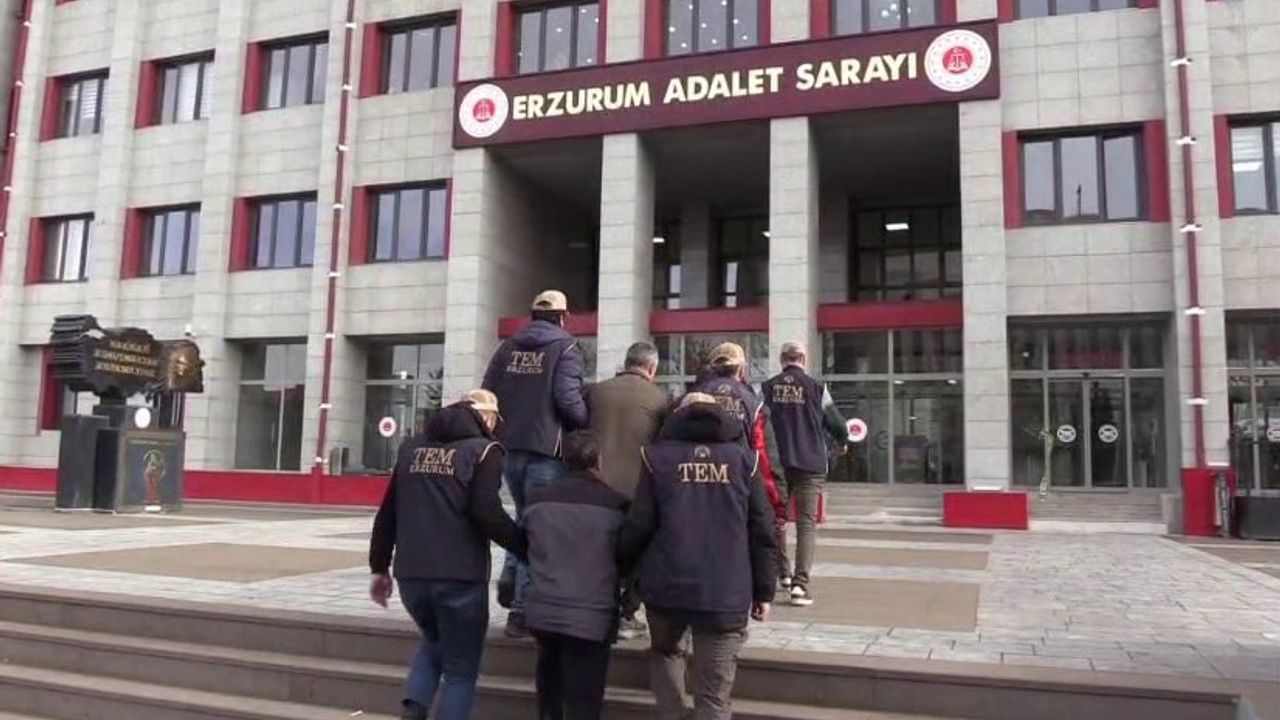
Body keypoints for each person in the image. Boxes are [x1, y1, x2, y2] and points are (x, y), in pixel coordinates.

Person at [619, 393, 778, 720]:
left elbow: (639, 524)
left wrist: (624, 572)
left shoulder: (657, 458)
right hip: (725, 590)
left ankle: (672, 713)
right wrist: (764, 590)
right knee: (713, 696)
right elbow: (762, 529)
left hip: (667, 585)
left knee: (665, 652)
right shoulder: (744, 461)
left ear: (678, 415)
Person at [368, 390, 524, 720]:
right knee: (460, 671)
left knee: (435, 639)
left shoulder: (411, 448)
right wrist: (527, 549)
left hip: (411, 576)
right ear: (487, 418)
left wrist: (379, 568)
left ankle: (414, 709)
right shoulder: (484, 452)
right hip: (460, 577)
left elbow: (388, 512)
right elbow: (487, 513)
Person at [483, 289, 590, 638]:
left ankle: (513, 574)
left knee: (523, 516)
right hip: (546, 450)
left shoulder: (507, 348)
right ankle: (521, 610)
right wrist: (585, 421)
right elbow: (567, 399)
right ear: (563, 316)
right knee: (539, 528)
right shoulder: (566, 348)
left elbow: (488, 394)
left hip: (510, 449)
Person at [524, 430, 629, 720]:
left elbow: (525, 543)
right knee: (584, 703)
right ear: (598, 462)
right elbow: (627, 554)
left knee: (550, 696)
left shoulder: (536, 500)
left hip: (544, 612)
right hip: (591, 617)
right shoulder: (616, 505)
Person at [586, 341, 668, 639]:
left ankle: (597, 609)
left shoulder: (595, 392)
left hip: (593, 487)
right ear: (652, 367)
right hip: (635, 492)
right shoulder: (660, 399)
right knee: (639, 553)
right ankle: (626, 613)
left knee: (596, 554)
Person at [762, 341, 849, 607]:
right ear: (803, 358)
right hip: (810, 464)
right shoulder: (816, 388)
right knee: (806, 523)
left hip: (777, 464)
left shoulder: (767, 388)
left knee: (777, 520)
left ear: (782, 360)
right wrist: (842, 441)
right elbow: (837, 423)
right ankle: (800, 585)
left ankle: (783, 574)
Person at [693, 342, 787, 582]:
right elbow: (763, 457)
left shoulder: (692, 397)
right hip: (737, 486)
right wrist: (777, 503)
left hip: (693, 483)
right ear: (742, 369)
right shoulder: (752, 404)